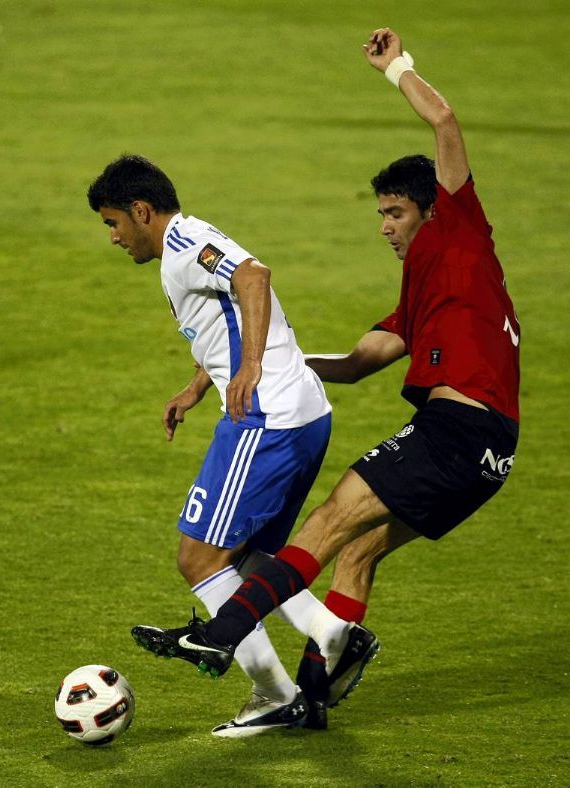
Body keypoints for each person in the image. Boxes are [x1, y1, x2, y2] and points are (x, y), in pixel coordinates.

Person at [131, 26, 521, 704]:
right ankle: (310, 698)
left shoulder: (459, 229)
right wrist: (246, 369)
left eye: (396, 213)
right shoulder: (427, 296)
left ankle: (222, 631)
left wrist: (395, 65)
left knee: (331, 517)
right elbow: (359, 360)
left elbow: (445, 119)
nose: (385, 227)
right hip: (491, 455)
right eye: (382, 214)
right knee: (358, 550)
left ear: (432, 210)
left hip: (456, 431)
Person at [87, 155, 379, 736]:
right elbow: (226, 318)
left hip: (264, 418)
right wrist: (200, 384)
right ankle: (330, 633)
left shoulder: (184, 241)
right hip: (299, 412)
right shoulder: (185, 245)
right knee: (248, 557)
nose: (115, 237)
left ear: (141, 211)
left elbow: (253, 277)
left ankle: (274, 692)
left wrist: (245, 372)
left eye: (113, 222)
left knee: (198, 559)